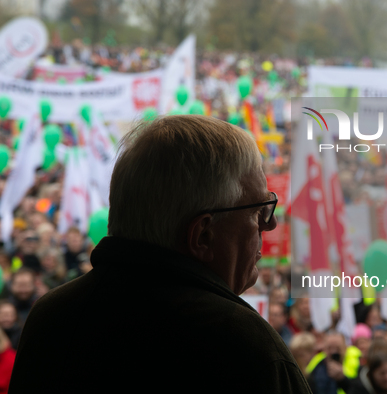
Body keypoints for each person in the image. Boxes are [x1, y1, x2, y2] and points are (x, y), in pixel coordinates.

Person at [9, 115, 312, 393]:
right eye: (258, 210)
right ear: (203, 235)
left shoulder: (50, 318)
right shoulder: (245, 346)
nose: (270, 223)